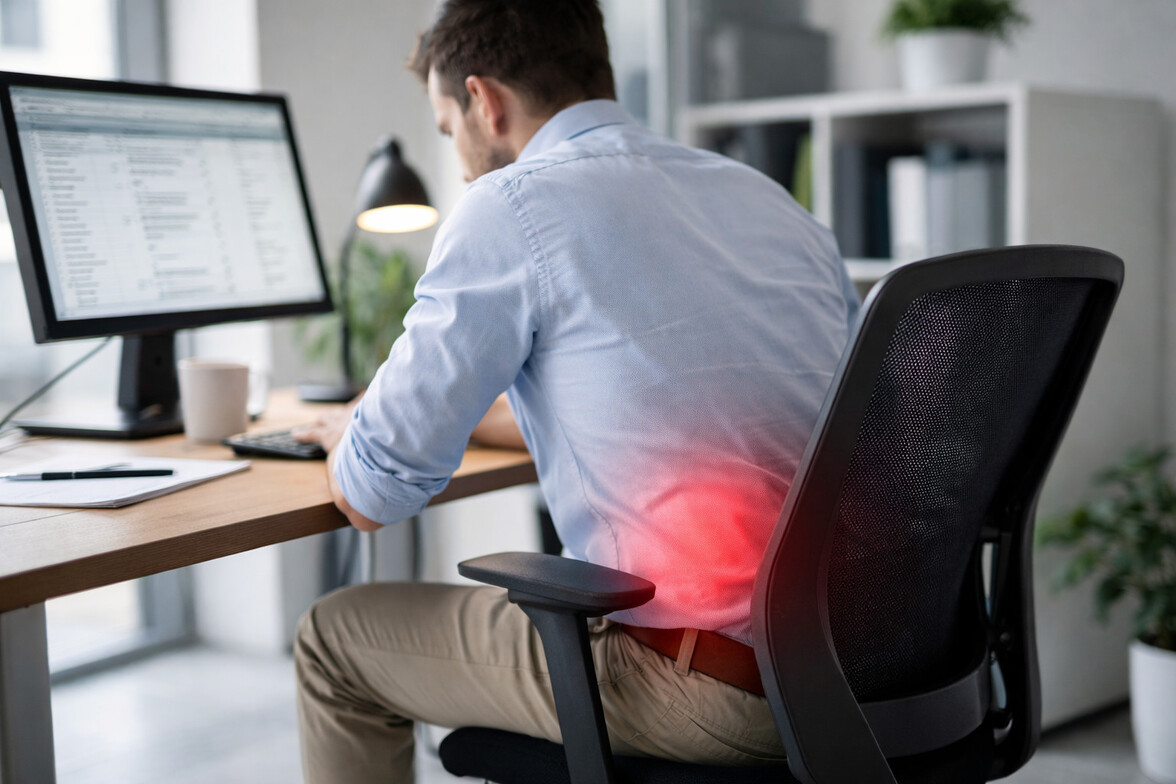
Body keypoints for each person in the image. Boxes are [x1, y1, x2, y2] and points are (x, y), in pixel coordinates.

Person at [293, 1, 860, 781]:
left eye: (447, 126)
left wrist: (344, 438)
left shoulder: (510, 205)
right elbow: (674, 407)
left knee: (334, 638)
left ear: (484, 102)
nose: (457, 159)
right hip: (858, 664)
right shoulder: (771, 202)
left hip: (706, 686)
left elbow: (372, 493)